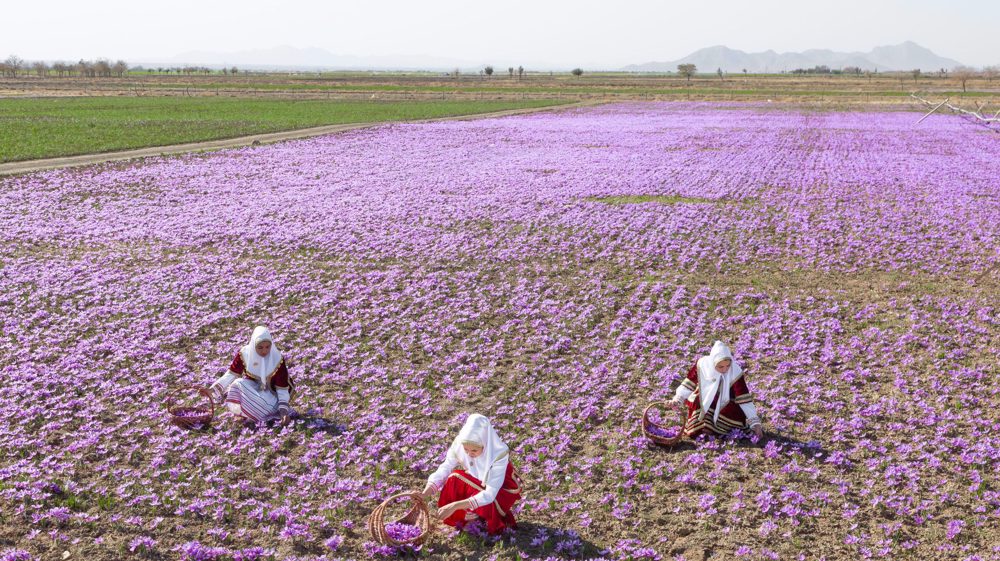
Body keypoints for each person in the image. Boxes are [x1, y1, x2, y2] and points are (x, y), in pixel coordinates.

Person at [422, 414, 522, 535]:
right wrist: (425, 493)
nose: (469, 454)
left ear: (485, 444)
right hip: (479, 483)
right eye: (466, 450)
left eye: (474, 450)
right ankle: (466, 515)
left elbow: (490, 494)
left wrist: (454, 506)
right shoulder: (461, 442)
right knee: (454, 477)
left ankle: (479, 517)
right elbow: (446, 466)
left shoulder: (498, 454)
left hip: (500, 491)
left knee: (458, 479)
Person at [204, 326, 293, 428]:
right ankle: (244, 414)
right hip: (252, 389)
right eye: (260, 347)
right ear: (253, 344)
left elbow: (282, 388)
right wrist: (211, 391)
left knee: (262, 403)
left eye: (267, 347)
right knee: (237, 383)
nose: (264, 351)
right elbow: (231, 374)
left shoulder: (277, 359)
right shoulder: (245, 354)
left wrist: (283, 412)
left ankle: (254, 415)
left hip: (270, 396)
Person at [671, 340, 763, 439]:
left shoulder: (735, 371)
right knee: (701, 400)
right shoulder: (702, 365)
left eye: (727, 366)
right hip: (704, 395)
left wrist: (755, 422)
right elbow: (689, 383)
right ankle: (703, 426)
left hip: (727, 401)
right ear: (713, 363)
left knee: (720, 402)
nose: (725, 369)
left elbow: (743, 398)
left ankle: (714, 429)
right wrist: (678, 398)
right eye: (720, 367)